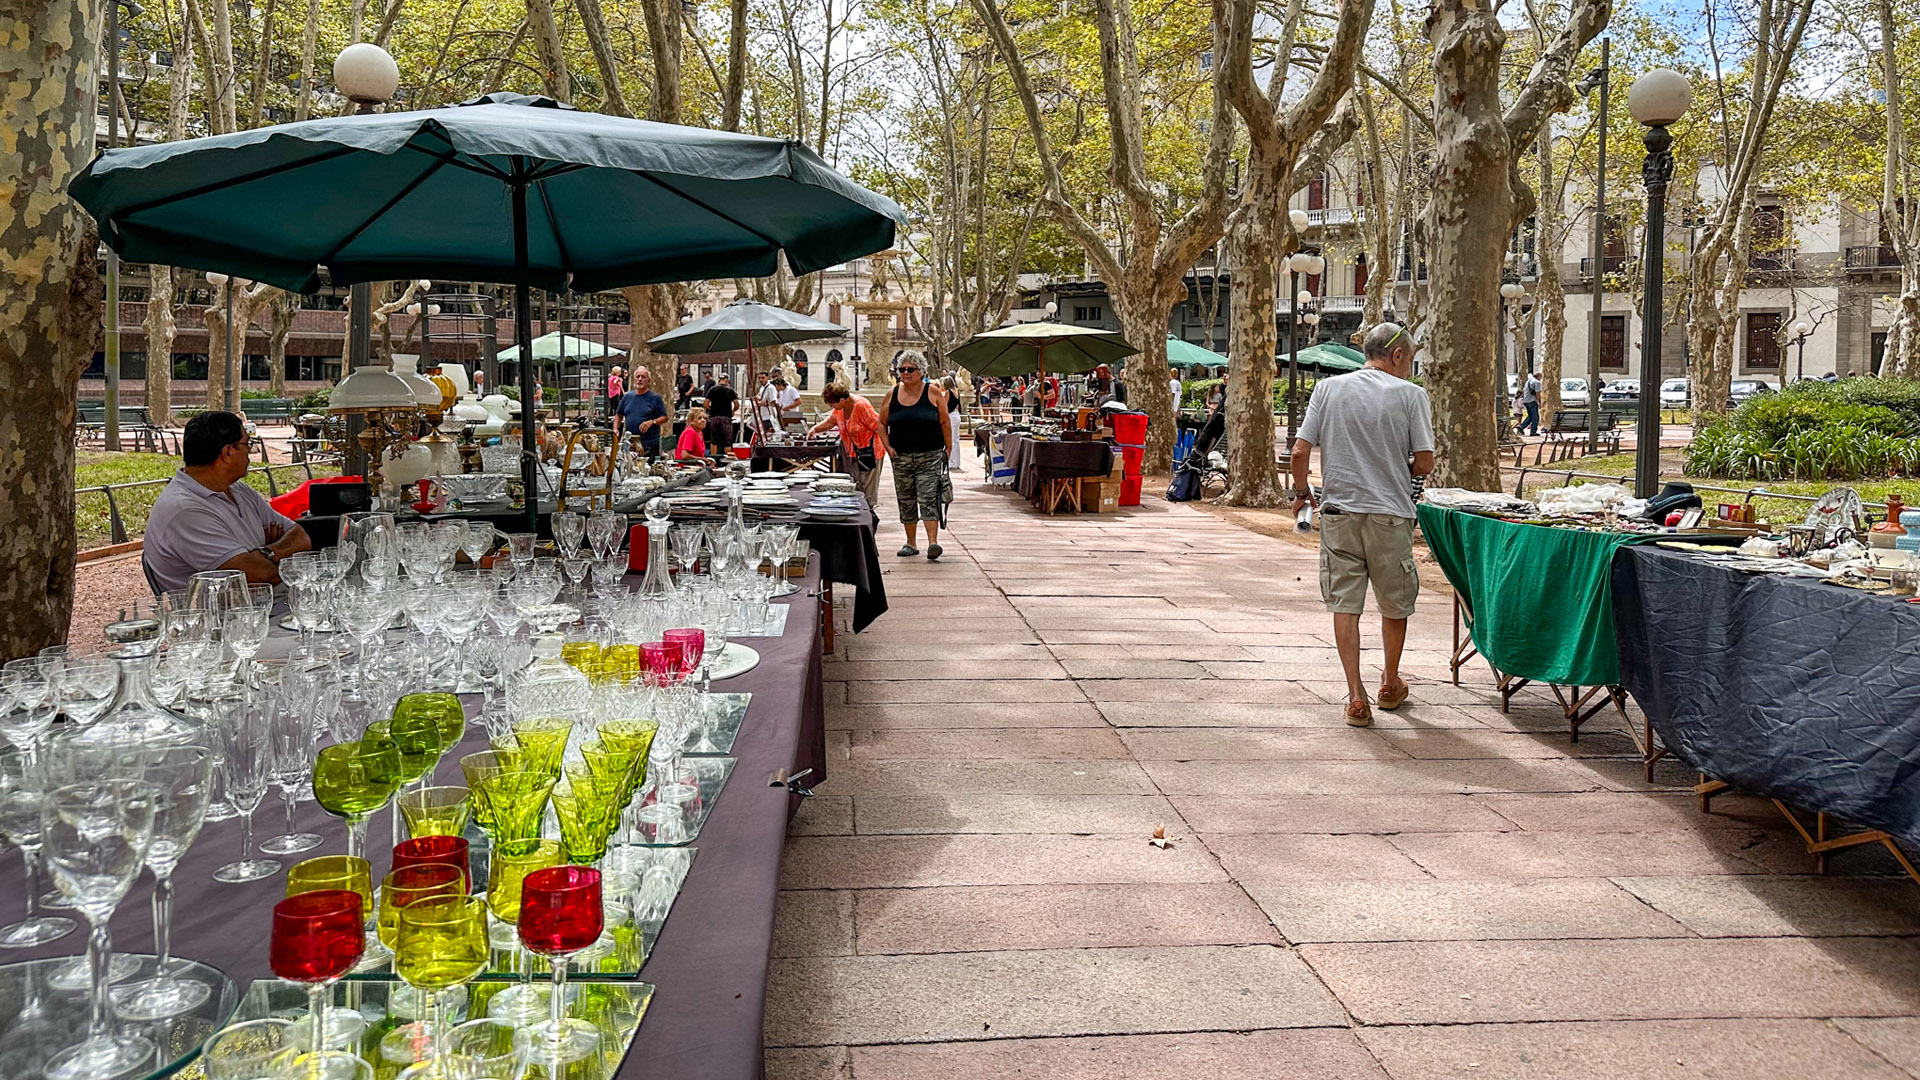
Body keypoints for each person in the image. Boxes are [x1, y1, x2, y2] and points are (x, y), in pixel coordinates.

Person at [1288, 321, 1435, 728]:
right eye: (1411, 358)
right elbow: (1425, 462)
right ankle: (1389, 682)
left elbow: (1299, 452)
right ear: (1399, 355)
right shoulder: (1412, 395)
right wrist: (1396, 465)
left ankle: (1356, 696)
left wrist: (1302, 493)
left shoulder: (1328, 389)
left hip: (1339, 513)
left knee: (1345, 605)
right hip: (1391, 514)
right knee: (1394, 602)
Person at [143, 410, 312, 594]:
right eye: (247, 444)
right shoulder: (185, 511)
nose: (249, 451)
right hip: (227, 619)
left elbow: (301, 537)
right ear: (228, 452)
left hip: (270, 604)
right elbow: (261, 576)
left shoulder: (238, 489)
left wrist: (267, 552)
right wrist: (281, 555)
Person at [880, 351, 952, 561]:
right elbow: (882, 423)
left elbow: (945, 422)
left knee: (928, 498)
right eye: (901, 369)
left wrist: (948, 448)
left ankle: (933, 543)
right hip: (901, 457)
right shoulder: (892, 394)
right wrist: (888, 447)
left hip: (929, 456)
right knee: (906, 499)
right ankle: (911, 543)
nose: (905, 373)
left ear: (921, 372)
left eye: (910, 369)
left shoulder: (933, 392)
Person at [810, 385, 886, 512]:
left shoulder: (861, 406)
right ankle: (859, 515)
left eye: (832, 404)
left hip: (870, 453)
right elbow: (830, 422)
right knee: (856, 485)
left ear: (842, 400)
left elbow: (880, 426)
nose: (831, 407)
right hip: (853, 452)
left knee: (868, 489)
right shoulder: (840, 408)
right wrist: (815, 429)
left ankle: (869, 517)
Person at [616, 366, 670, 458]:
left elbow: (664, 417)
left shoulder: (655, 398)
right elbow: (619, 415)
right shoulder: (627, 397)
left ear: (648, 381)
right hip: (630, 443)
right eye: (638, 377)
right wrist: (615, 429)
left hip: (649, 444)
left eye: (643, 377)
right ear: (634, 380)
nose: (640, 379)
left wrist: (652, 422)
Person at [706, 372, 739, 450]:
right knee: (727, 441)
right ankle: (727, 460)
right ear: (727, 380)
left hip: (714, 416)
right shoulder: (730, 390)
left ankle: (713, 460)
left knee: (714, 441)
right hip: (726, 416)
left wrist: (711, 409)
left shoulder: (712, 389)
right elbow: (737, 404)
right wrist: (733, 411)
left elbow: (705, 403)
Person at [942, 375, 964, 471]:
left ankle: (951, 461)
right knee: (956, 439)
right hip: (957, 415)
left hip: (951, 416)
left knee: (950, 439)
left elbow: (944, 406)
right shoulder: (957, 392)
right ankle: (956, 461)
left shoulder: (948, 392)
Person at [1519, 370, 1542, 436]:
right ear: (1538, 376)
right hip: (1532, 401)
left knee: (1530, 416)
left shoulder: (1528, 381)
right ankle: (1533, 431)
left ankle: (1521, 427)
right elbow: (1538, 393)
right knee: (1535, 417)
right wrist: (1540, 402)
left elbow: (1523, 391)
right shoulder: (1537, 382)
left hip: (1526, 401)